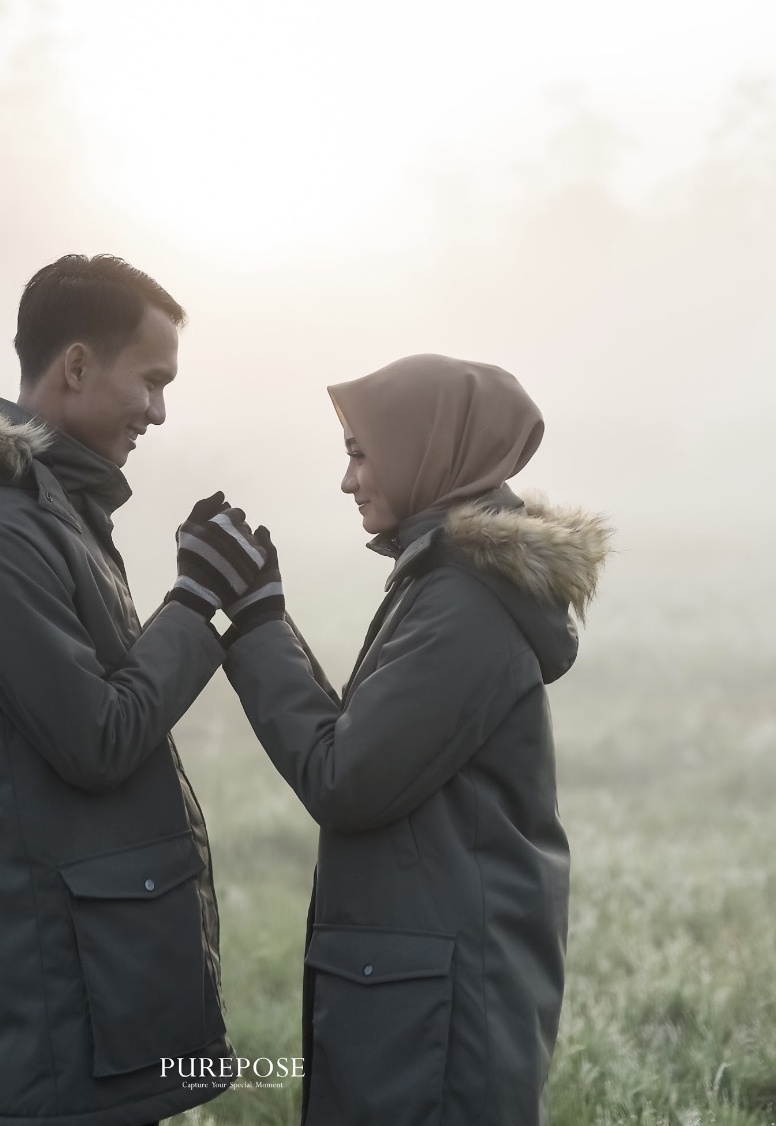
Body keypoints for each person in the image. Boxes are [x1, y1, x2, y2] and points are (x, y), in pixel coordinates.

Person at [0, 254, 265, 1126]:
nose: (159, 410)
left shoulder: (55, 513)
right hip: (61, 991)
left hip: (100, 975)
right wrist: (195, 600)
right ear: (78, 365)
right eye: (152, 380)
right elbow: (99, 737)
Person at [220, 353, 612, 1126]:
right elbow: (366, 740)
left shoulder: (465, 602)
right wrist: (264, 614)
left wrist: (259, 623)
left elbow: (346, 775)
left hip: (438, 1019)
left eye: (360, 453)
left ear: (427, 449)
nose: (348, 480)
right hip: (428, 997)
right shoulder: (442, 581)